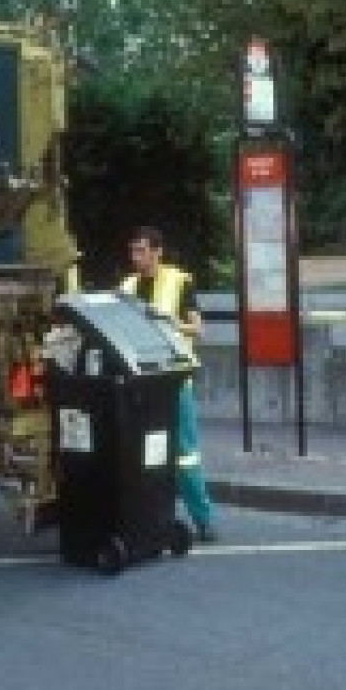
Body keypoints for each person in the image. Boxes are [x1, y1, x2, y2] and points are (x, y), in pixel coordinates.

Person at [121, 226, 218, 543]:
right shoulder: (127, 286)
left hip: (174, 380)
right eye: (133, 251)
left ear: (157, 252)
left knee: (185, 454)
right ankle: (150, 516)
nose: (137, 258)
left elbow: (198, 330)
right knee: (144, 454)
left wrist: (172, 322)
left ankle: (204, 520)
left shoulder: (179, 282)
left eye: (142, 251)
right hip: (142, 380)